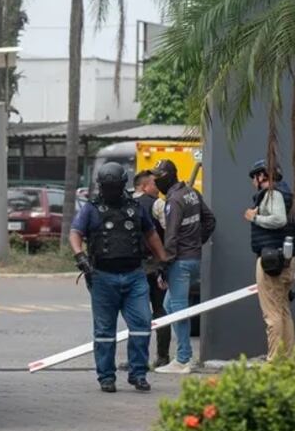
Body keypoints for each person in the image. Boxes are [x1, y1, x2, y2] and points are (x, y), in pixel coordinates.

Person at [70, 162, 167, 393]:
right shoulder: (91, 209)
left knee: (142, 324)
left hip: (134, 275)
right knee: (104, 331)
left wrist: (163, 260)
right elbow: (75, 233)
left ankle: (138, 374)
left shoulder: (135, 207)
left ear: (122, 185)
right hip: (102, 276)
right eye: (106, 187)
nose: (110, 191)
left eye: (113, 186)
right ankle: (106, 377)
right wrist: (80, 255)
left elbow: (151, 234)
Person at [152, 159, 216, 375]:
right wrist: (197, 242)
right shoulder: (191, 193)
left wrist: (163, 265)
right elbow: (210, 220)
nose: (156, 181)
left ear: (170, 176)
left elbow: (170, 237)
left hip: (179, 261)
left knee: (178, 309)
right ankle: (184, 354)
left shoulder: (174, 201)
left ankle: (183, 359)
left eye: (159, 177)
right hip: (193, 259)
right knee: (170, 306)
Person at [245, 159, 295, 360]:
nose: (253, 182)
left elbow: (279, 219)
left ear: (262, 176)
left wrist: (255, 217)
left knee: (272, 314)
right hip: (285, 258)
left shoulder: (273, 193)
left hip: (271, 261)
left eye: (254, 177)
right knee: (283, 311)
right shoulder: (285, 192)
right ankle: (287, 359)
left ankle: (274, 362)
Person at [133, 170, 171, 368]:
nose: (158, 188)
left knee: (136, 314)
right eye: (154, 184)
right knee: (160, 310)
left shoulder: (127, 204)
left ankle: (137, 359)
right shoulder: (157, 204)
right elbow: (169, 230)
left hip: (133, 266)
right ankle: (162, 357)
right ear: (144, 186)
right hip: (156, 265)